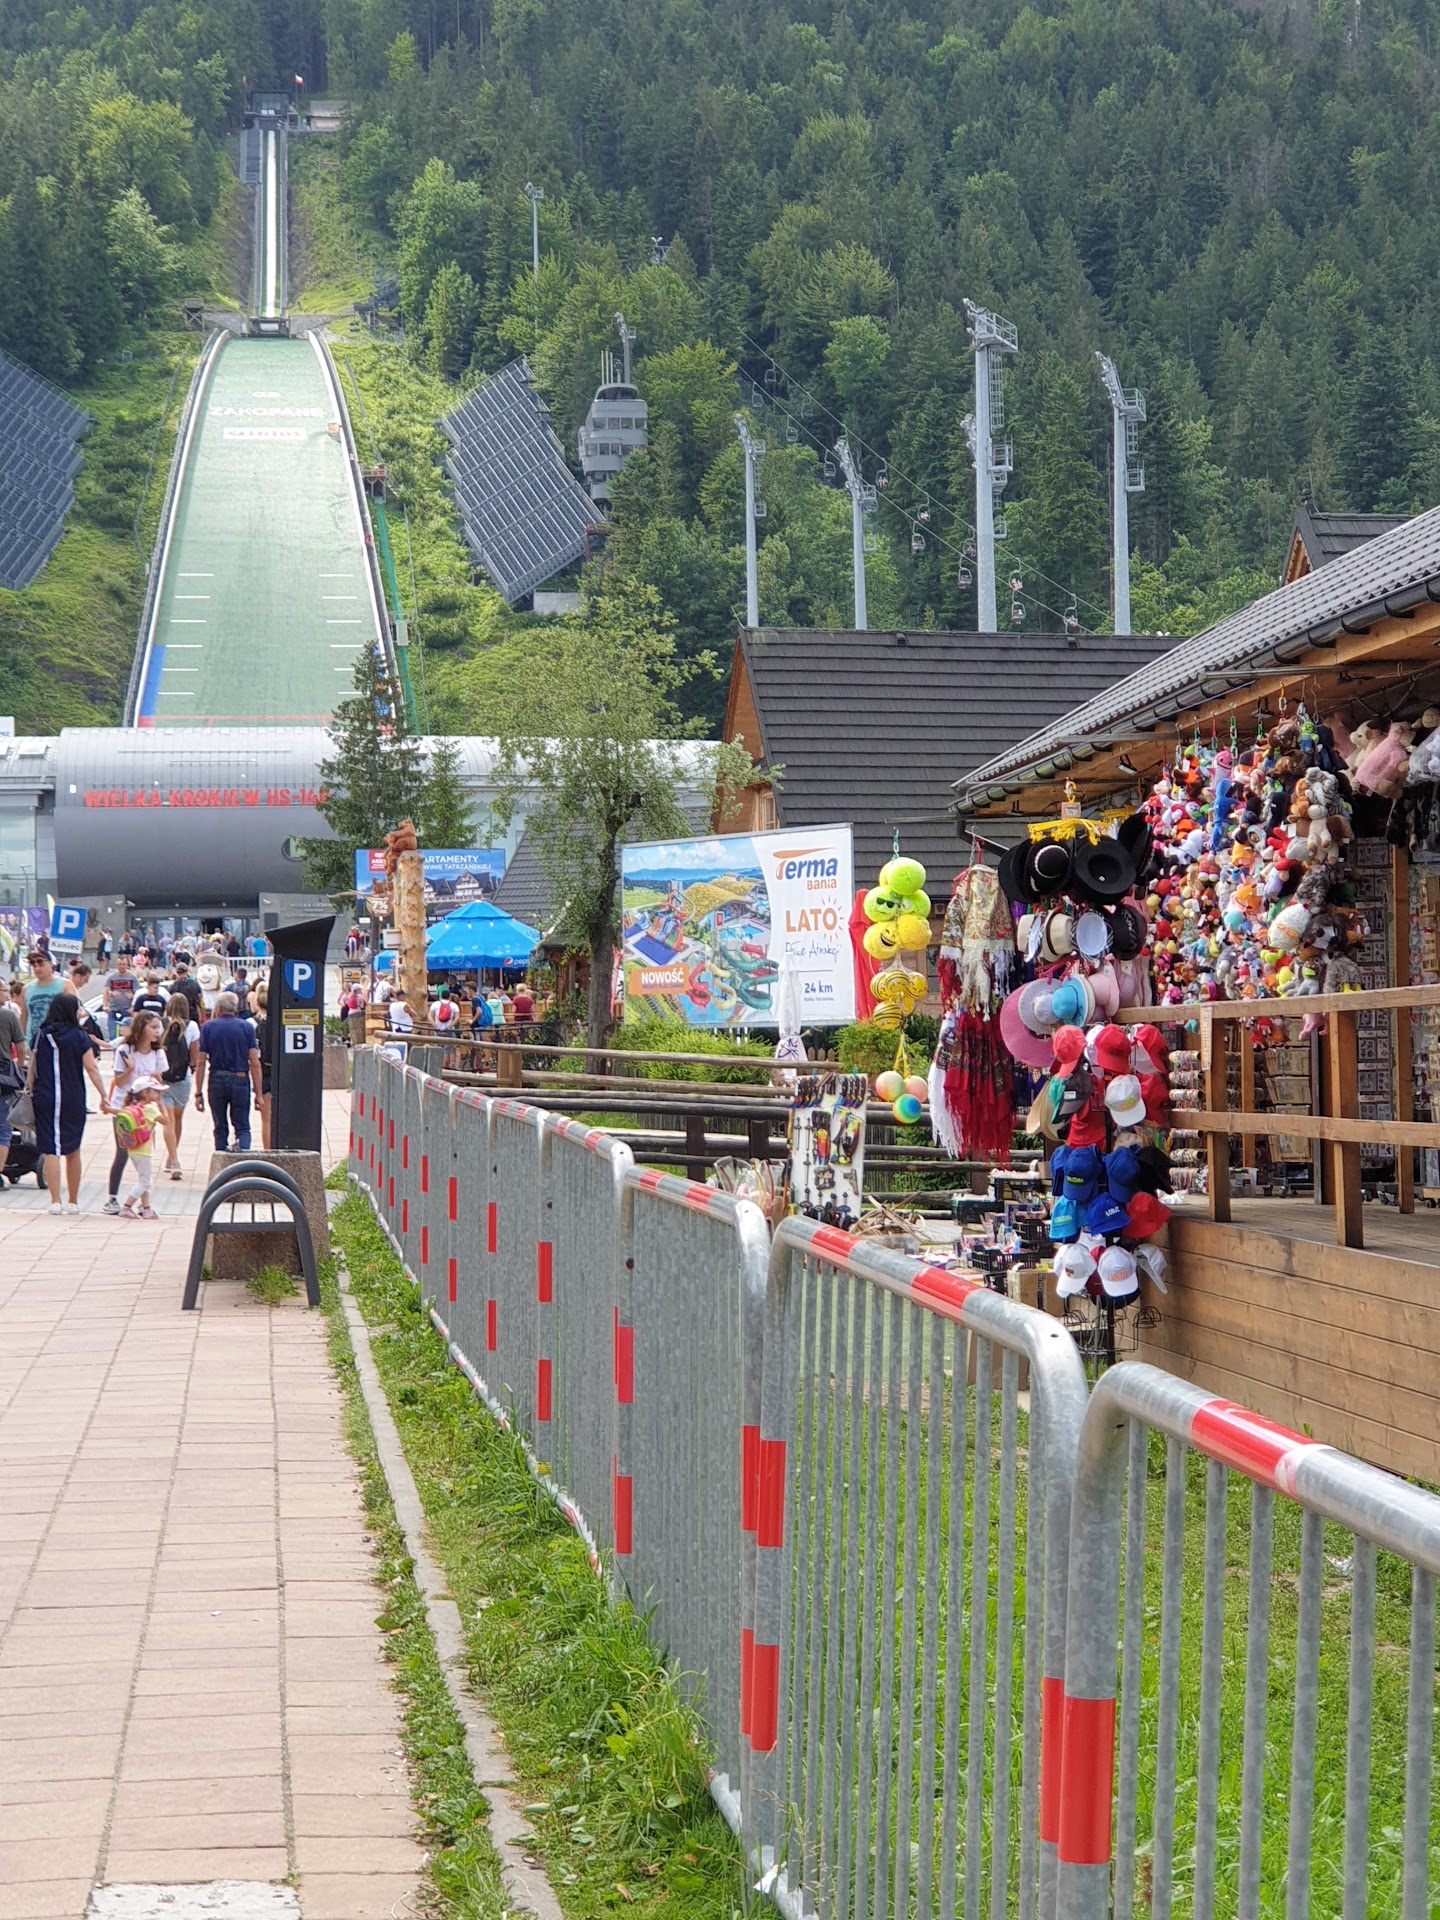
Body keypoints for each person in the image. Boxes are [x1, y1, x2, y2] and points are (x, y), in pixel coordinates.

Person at [27, 993, 106, 1213]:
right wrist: (103, 1094)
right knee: (73, 1148)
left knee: (51, 1148)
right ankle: (73, 1201)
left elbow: (32, 1067)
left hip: (45, 1096)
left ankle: (55, 1201)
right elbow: (91, 1068)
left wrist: (30, 1091)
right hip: (73, 1097)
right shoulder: (80, 1036)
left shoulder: (40, 1035)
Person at [102, 1009, 167, 1214]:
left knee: (145, 1153)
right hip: (125, 1108)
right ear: (142, 1027)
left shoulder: (158, 1053)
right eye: (153, 1027)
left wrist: (157, 1080)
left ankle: (144, 1204)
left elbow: (159, 1082)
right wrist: (130, 1068)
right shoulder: (125, 1050)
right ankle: (112, 1198)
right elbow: (119, 1082)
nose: (157, 1031)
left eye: (158, 1028)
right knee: (122, 1151)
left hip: (146, 1110)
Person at [195, 991, 263, 1151]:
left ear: (218, 1007)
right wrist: (258, 1093)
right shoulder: (246, 1027)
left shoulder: (208, 1027)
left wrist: (198, 1092)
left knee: (220, 1126)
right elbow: (254, 1061)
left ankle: (221, 1158)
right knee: (242, 1126)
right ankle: (243, 1156)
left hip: (216, 1079)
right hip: (240, 1079)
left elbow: (201, 1061)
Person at [157, 991, 200, 1178]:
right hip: (183, 1079)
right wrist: (191, 1067)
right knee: (177, 1120)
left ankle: (173, 1160)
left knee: (168, 1121)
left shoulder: (160, 1024)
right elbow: (194, 1055)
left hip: (163, 1078)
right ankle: (171, 1158)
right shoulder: (192, 1026)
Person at [112, 1076, 164, 1220]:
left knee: (144, 1179)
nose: (158, 1094)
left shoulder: (132, 1107)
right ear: (146, 1093)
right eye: (155, 1091)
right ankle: (126, 1207)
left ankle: (147, 1209)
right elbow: (166, 1121)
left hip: (133, 1149)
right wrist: (162, 1106)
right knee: (145, 1182)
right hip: (144, 1151)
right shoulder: (150, 1109)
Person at [22, 950, 64, 1047]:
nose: (37, 968)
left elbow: (76, 1012)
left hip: (58, 1043)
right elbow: (24, 1018)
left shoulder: (65, 985)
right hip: (32, 1043)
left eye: (41, 964)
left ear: (50, 964)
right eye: (34, 965)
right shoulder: (27, 989)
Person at [252, 978, 273, 1147]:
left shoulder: (252, 1023)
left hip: (262, 1074)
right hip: (278, 1072)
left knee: (266, 1120)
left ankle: (268, 1153)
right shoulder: (278, 1022)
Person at [171, 958, 203, 1023]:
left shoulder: (173, 986)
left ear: (176, 972)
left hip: (178, 1015)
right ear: (187, 971)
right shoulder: (194, 984)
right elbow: (201, 1001)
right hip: (193, 1013)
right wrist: (203, 1014)